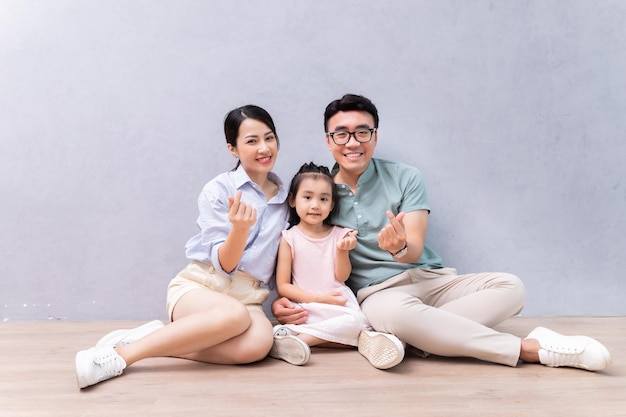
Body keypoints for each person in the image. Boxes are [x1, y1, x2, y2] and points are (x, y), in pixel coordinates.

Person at [272, 93, 612, 372]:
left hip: (431, 279)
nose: (352, 142)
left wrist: (400, 247)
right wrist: (289, 300)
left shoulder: (406, 177)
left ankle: (408, 338)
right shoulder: (319, 192)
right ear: (328, 140)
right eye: (341, 134)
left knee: (512, 287)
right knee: (398, 315)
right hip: (381, 296)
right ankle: (530, 349)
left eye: (363, 132)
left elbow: (416, 249)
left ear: (375, 136)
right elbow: (302, 244)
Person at [75, 104, 307, 389]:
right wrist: (239, 230)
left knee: (259, 345)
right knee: (232, 315)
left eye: (269, 138)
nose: (264, 148)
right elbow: (226, 265)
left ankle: (155, 338)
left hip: (249, 297)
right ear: (232, 149)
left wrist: (288, 295)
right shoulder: (218, 190)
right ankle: (121, 356)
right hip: (202, 287)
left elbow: (292, 250)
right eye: (251, 141)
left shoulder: (288, 199)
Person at [270, 162, 403, 368]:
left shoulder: (340, 234)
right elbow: (283, 286)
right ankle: (350, 340)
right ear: (293, 200)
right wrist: (318, 298)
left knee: (358, 321)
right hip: (307, 306)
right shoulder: (289, 238)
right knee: (356, 330)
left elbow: (341, 277)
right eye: (307, 197)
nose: (315, 205)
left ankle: (299, 340)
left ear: (332, 204)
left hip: (338, 305)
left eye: (323, 199)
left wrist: (342, 250)